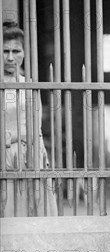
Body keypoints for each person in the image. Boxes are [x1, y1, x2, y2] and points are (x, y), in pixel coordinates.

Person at [2, 21, 57, 217]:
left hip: (32, 156)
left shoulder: (30, 86)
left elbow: (37, 127)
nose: (10, 57)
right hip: (4, 159)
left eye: (16, 51)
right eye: (5, 51)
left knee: (37, 217)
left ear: (24, 52)